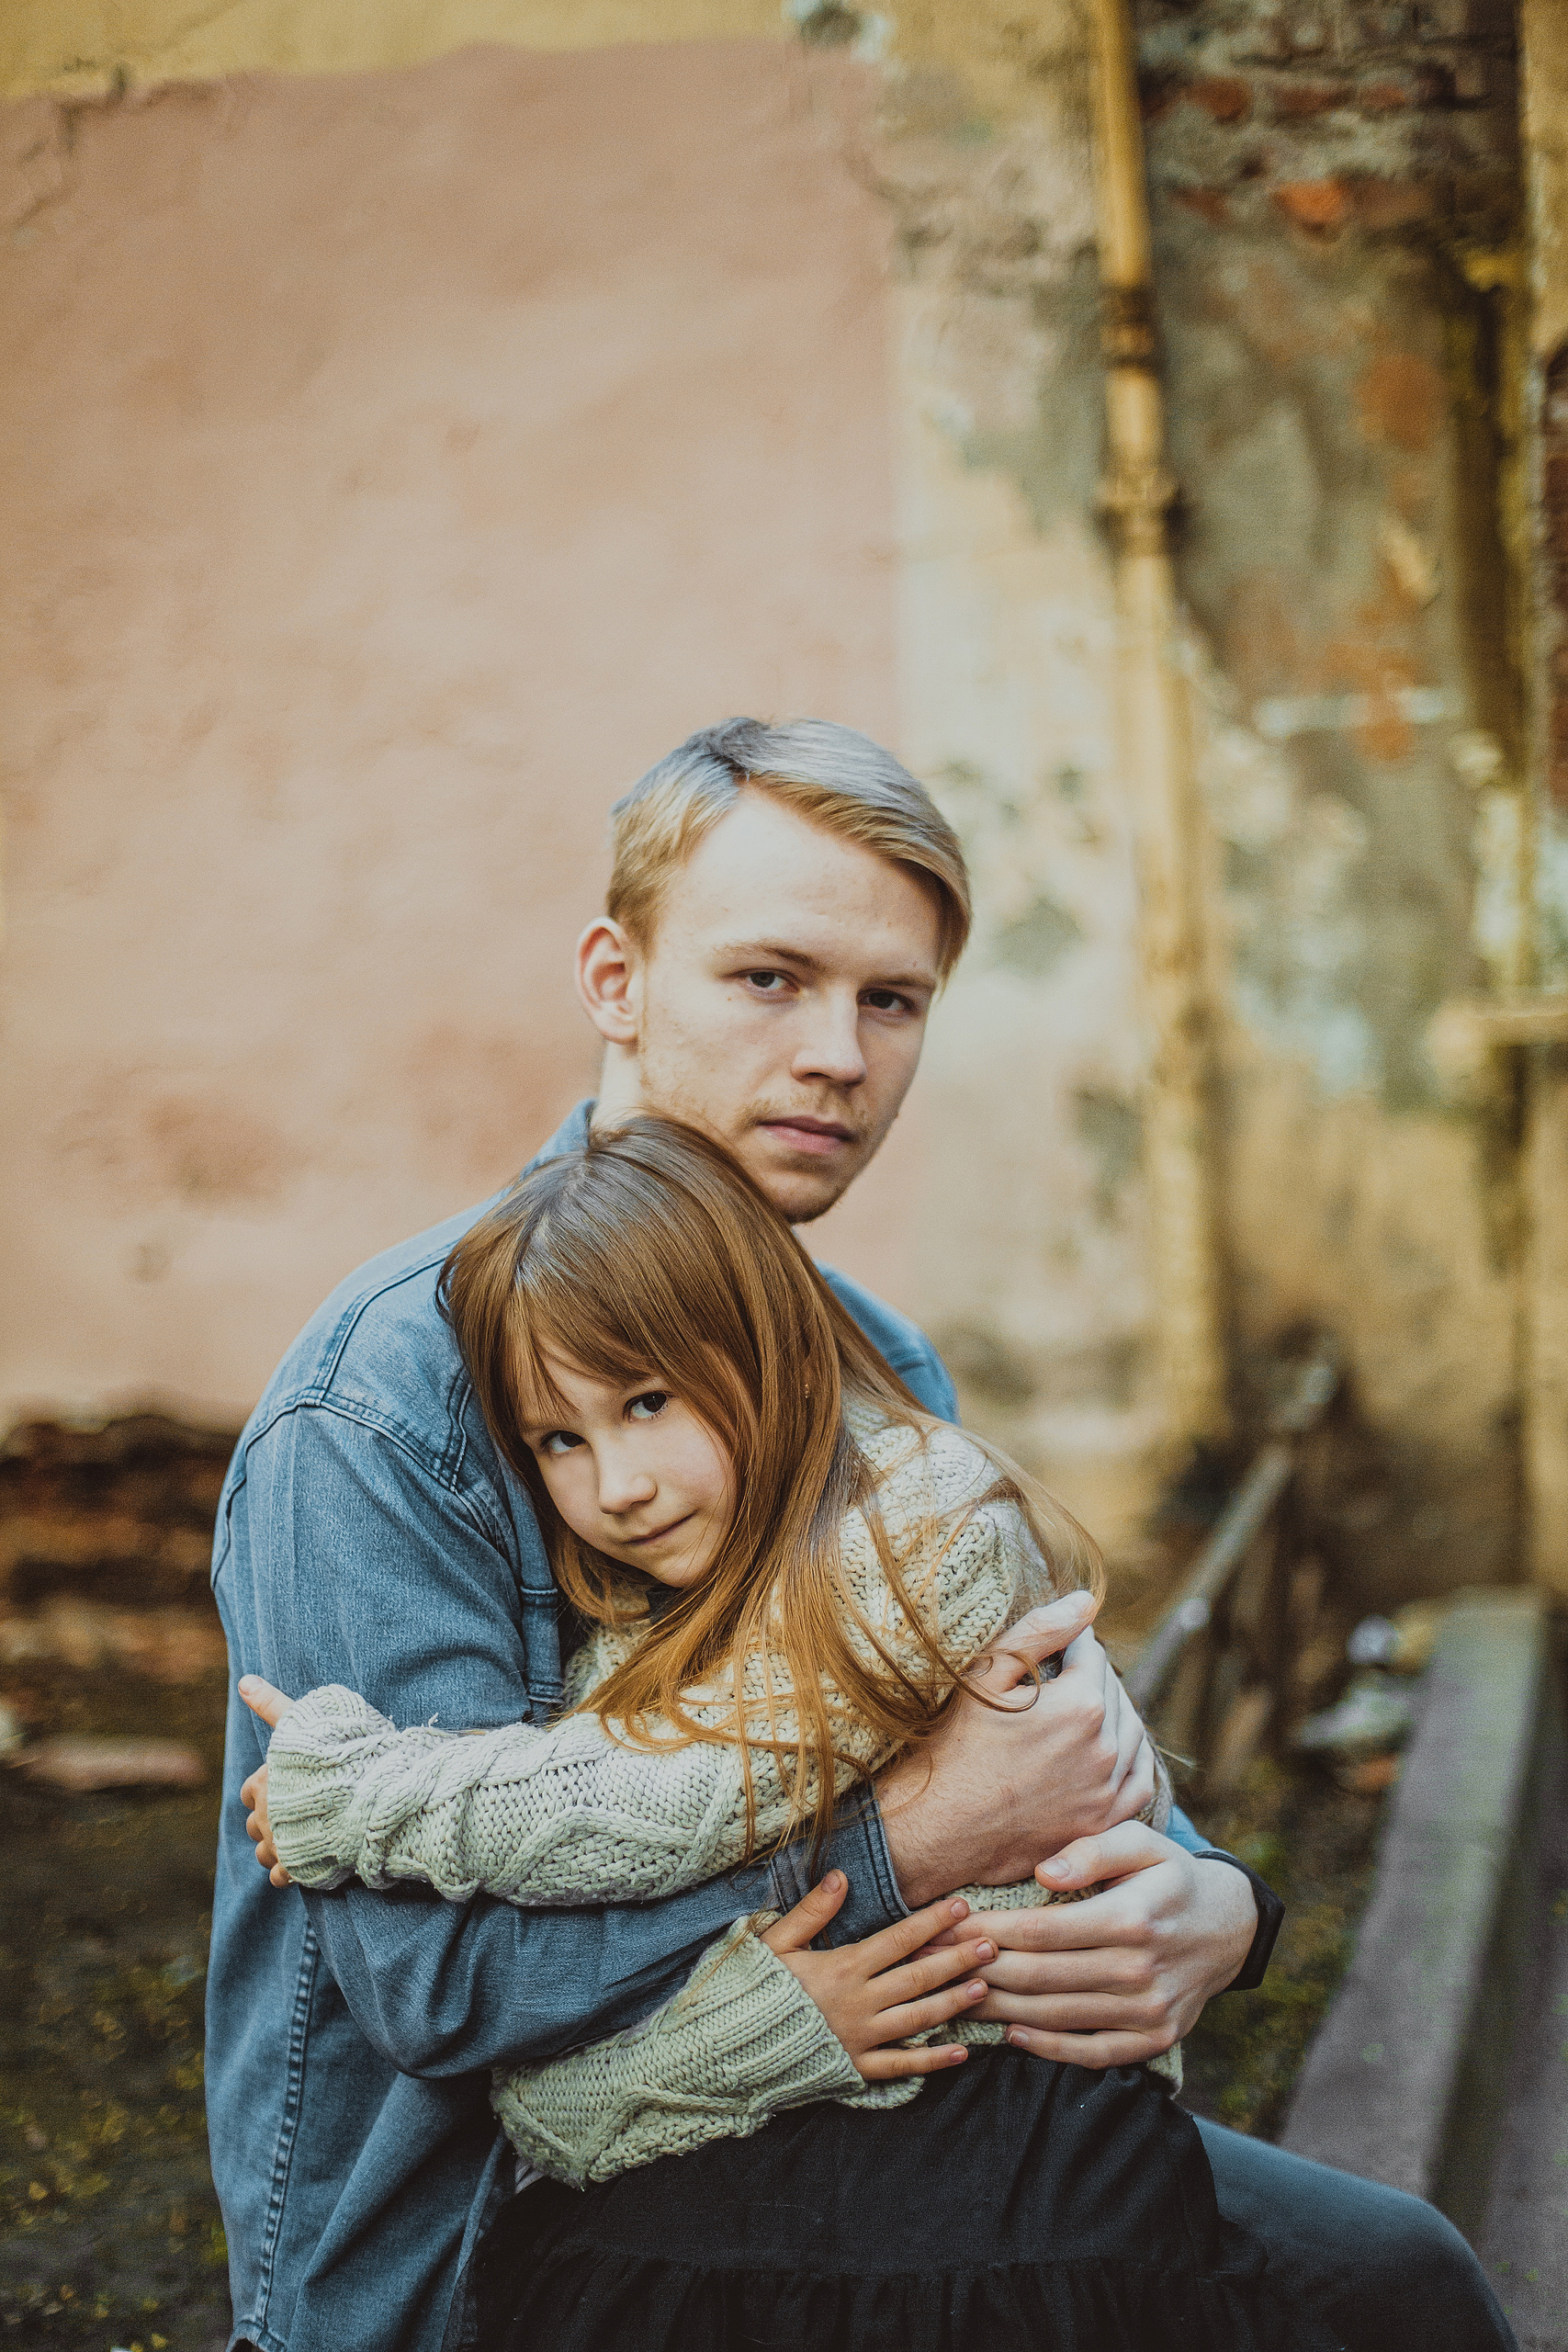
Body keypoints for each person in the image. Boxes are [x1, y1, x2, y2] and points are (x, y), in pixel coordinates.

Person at [206, 717, 1510, 2352]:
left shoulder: (873, 1359)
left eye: (891, 1000)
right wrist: (900, 1850)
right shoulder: (394, 1397)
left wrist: (1211, 1907)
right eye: (770, 979)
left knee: (1393, 2285)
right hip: (501, 2233)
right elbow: (431, 1991)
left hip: (882, 2121)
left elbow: (1038, 1726)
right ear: (615, 981)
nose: (838, 1052)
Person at [233, 1112, 1309, 2352]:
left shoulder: (925, 1529)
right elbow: (552, 2114)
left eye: (647, 1403)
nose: (614, 1486)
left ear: (777, 1358)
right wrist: (768, 2027)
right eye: (560, 1441)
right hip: (758, 2207)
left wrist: (367, 1796)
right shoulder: (632, 1625)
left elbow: (674, 1802)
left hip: (1019, 2199)